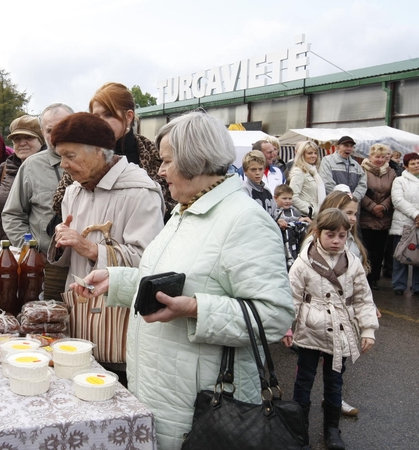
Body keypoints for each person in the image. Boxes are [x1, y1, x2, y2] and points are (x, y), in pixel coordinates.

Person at [71, 111, 294, 449]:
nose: (160, 170)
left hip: (204, 403)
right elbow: (175, 280)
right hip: (163, 389)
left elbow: (274, 316)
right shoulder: (184, 211)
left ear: (195, 161)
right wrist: (118, 281)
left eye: (166, 161)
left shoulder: (244, 220)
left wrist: (195, 309)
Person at [48, 112, 164, 375]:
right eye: (60, 156)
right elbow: (69, 260)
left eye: (70, 155)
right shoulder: (73, 191)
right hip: (79, 320)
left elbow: (150, 261)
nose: (63, 165)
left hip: (118, 329)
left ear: (100, 152)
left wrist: (90, 248)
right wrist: (61, 241)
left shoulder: (140, 192)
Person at [282, 208, 378, 450]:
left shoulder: (353, 262)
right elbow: (290, 296)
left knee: (335, 381)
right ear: (317, 233)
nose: (336, 241)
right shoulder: (304, 262)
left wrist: (367, 329)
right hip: (310, 330)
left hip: (340, 330)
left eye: (342, 235)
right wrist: (286, 327)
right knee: (303, 380)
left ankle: (332, 429)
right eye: (330, 235)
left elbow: (363, 298)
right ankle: (298, 429)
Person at [52, 82, 176, 222]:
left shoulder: (154, 154)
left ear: (129, 116)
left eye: (108, 115)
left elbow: (174, 204)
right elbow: (60, 203)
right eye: (96, 116)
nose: (101, 122)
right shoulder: (82, 156)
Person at [2, 103, 74, 299]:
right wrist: (31, 251)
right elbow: (12, 214)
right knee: (49, 320)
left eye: (64, 127)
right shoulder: (32, 166)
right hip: (48, 266)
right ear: (42, 132)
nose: (58, 134)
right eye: (50, 130)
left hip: (88, 261)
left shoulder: (92, 161)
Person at [0, 115, 44, 249]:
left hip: (37, 255)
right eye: (17, 139)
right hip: (4, 252)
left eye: (28, 138)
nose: (22, 143)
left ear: (41, 139)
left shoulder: (52, 170)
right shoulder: (5, 168)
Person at [360, 143, 395, 290]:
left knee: (379, 251)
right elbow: (360, 191)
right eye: (376, 157)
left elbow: (393, 192)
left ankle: (374, 278)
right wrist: (373, 207)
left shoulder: (391, 172)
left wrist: (383, 207)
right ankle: (364, 278)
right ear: (370, 157)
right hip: (366, 216)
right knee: (365, 250)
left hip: (383, 217)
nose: (380, 160)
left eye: (382, 157)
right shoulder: (362, 170)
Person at [390, 152, 419, 295]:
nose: (416, 165)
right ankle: (399, 285)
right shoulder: (400, 181)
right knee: (401, 255)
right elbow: (398, 200)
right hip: (404, 224)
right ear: (406, 166)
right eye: (413, 163)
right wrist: (416, 214)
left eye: (418, 162)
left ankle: (417, 286)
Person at [241, 150, 283, 226]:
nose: (257, 173)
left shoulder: (267, 191)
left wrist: (279, 221)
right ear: (245, 171)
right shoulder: (244, 192)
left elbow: (274, 215)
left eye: (260, 169)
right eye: (253, 169)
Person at [319, 136, 367, 201]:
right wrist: (342, 199)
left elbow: (363, 184)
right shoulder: (327, 161)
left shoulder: (356, 165)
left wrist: (354, 198)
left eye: (351, 146)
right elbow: (327, 182)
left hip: (352, 205)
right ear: (338, 147)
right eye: (346, 146)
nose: (349, 148)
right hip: (334, 204)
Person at [274, 184, 310, 268]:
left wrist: (303, 220)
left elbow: (299, 219)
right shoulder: (275, 211)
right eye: (284, 198)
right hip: (281, 242)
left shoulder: (294, 211)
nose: (287, 201)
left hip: (294, 241)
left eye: (290, 198)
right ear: (275, 198)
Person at [289, 140, 326, 219]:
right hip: (305, 216)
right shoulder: (298, 171)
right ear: (302, 155)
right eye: (309, 153)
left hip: (316, 215)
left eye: (315, 153)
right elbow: (292, 196)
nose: (313, 156)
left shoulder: (314, 172)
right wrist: (311, 210)